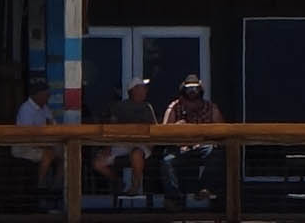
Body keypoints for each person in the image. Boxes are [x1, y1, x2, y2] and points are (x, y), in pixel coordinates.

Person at [160, 73, 225, 203]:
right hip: (180, 148)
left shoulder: (211, 108)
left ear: (200, 89)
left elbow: (222, 130)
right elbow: (162, 132)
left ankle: (205, 189)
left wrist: (208, 136)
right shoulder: (174, 107)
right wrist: (176, 127)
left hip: (203, 147)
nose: (192, 92)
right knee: (167, 161)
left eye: (195, 88)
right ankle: (174, 198)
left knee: (215, 152)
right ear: (183, 90)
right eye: (189, 88)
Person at [92, 76, 157, 197]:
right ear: (134, 90)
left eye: (145, 88)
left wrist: (151, 145)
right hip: (121, 143)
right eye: (142, 88)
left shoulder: (147, 107)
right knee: (98, 163)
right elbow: (111, 127)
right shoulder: (119, 107)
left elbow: (155, 129)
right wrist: (108, 146)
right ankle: (117, 182)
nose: (145, 91)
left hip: (141, 144)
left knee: (136, 154)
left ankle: (135, 185)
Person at [11, 75, 60, 194]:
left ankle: (56, 187)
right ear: (37, 95)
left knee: (66, 153)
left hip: (42, 143)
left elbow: (53, 124)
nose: (48, 98)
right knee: (48, 153)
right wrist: (45, 144)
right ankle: (39, 186)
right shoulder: (26, 109)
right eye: (46, 95)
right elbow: (28, 136)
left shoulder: (44, 108)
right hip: (24, 146)